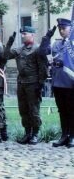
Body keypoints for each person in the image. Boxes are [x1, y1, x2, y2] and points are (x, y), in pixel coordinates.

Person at [4, 26, 48, 145]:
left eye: (25, 33)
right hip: (21, 83)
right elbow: (6, 56)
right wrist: (9, 43)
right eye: (22, 34)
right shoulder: (20, 49)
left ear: (32, 35)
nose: (23, 35)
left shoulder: (37, 49)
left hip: (33, 84)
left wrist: (41, 84)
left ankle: (35, 134)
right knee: (23, 110)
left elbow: (43, 68)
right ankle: (27, 133)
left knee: (34, 110)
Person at [39, 18, 73, 148]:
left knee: (72, 110)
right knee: (62, 111)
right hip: (58, 83)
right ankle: (64, 136)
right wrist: (47, 38)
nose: (61, 31)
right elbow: (42, 53)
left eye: (64, 28)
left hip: (70, 83)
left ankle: (72, 136)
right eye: (60, 28)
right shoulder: (56, 44)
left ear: (71, 28)